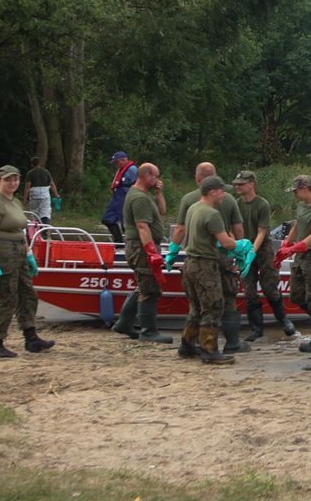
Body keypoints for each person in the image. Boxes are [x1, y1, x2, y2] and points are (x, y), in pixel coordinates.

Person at [170, 161, 250, 355]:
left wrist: (173, 250)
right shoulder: (212, 213)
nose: (224, 194)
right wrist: (243, 246)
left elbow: (180, 229)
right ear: (212, 192)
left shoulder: (192, 206)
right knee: (214, 306)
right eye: (222, 191)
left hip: (190, 262)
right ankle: (211, 350)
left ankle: (187, 346)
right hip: (206, 263)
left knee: (196, 307)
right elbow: (227, 241)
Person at [0, 165, 54, 358]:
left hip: (19, 250)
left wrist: (28, 254)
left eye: (15, 179)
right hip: (3, 251)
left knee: (28, 294)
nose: (12, 183)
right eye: (8, 179)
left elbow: (20, 230)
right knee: (7, 297)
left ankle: (31, 338)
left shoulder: (15, 201)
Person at [109, 163, 173, 344]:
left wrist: (159, 193)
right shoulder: (139, 198)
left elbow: (162, 211)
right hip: (141, 247)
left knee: (144, 286)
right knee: (150, 290)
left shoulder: (144, 195)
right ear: (147, 176)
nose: (158, 180)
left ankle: (124, 323)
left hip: (140, 246)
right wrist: (151, 252)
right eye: (156, 176)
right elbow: (142, 226)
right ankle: (148, 331)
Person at [232, 171, 298, 342]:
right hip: (244, 248)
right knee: (249, 290)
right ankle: (256, 329)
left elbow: (262, 232)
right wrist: (240, 249)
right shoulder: (236, 204)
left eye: (241, 184)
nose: (238, 186)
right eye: (236, 184)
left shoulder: (262, 204)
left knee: (270, 287)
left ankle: (284, 321)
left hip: (262, 248)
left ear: (251, 184)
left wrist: (252, 251)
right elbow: (233, 228)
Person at [276, 174, 311, 353]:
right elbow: (297, 225)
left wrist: (292, 250)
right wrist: (287, 243)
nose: (294, 195)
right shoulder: (301, 205)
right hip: (300, 255)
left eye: (296, 191)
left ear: (305, 189)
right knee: (296, 296)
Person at [101, 151, 137, 244]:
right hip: (116, 198)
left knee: (126, 223)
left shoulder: (132, 169)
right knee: (107, 219)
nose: (116, 165)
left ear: (124, 160)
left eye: (117, 162)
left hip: (125, 197)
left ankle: (131, 243)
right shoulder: (121, 170)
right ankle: (118, 242)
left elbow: (135, 184)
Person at [25, 158, 58, 224]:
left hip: (34, 194)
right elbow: (51, 184)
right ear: (40, 163)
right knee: (45, 211)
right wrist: (56, 194)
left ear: (32, 164)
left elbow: (28, 186)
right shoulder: (46, 172)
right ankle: (45, 226)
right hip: (45, 194)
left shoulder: (30, 173)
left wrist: (25, 197)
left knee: (35, 212)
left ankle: (36, 227)